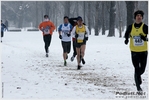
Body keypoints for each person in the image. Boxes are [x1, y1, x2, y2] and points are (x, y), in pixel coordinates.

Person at [124, 10, 148, 91]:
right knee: (136, 68)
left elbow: (147, 38)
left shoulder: (145, 27)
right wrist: (126, 40)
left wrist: (145, 38)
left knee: (142, 70)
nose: (139, 17)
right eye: (137, 16)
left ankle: (138, 77)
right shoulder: (130, 27)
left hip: (144, 51)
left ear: (142, 18)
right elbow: (126, 34)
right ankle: (138, 87)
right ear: (135, 18)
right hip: (134, 51)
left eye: (140, 16)